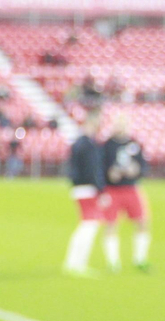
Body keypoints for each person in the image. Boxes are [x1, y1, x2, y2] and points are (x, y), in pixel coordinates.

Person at [101, 114, 152, 272]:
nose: (121, 127)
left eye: (123, 124)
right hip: (112, 190)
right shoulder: (107, 145)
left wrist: (136, 170)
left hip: (131, 188)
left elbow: (143, 166)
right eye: (118, 124)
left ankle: (140, 259)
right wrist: (109, 174)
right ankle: (113, 262)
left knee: (142, 222)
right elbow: (100, 168)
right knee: (111, 224)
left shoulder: (134, 144)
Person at [63, 110, 106, 276]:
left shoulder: (79, 143)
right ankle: (77, 263)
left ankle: (73, 261)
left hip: (79, 187)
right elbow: (92, 169)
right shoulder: (88, 145)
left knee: (86, 225)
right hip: (87, 188)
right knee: (89, 225)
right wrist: (100, 189)